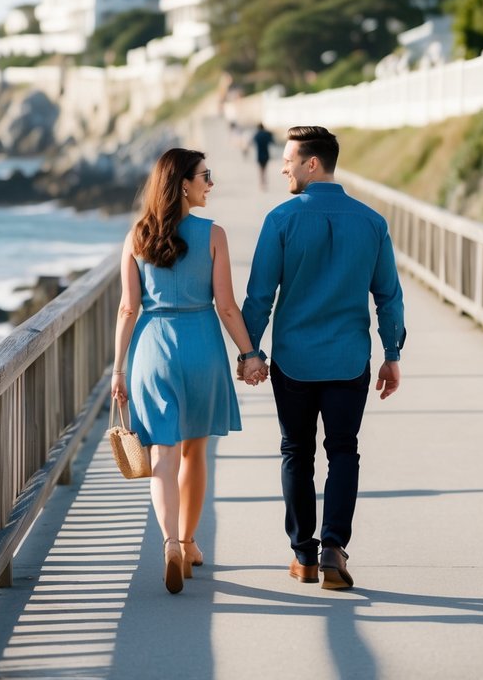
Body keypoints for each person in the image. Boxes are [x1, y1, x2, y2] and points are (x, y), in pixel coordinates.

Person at [239, 124, 405, 591]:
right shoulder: (372, 222)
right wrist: (392, 353)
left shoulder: (281, 219)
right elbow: (389, 297)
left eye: (289, 159)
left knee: (296, 451)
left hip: (293, 360)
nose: (283, 166)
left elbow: (259, 296)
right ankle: (333, 548)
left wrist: (250, 351)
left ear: (313, 163)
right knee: (344, 450)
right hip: (350, 358)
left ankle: (303, 556)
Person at [112, 148, 268, 595]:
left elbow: (128, 307)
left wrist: (118, 370)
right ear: (183, 183)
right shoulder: (213, 234)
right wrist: (250, 354)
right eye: (205, 175)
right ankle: (188, 540)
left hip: (152, 349)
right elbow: (226, 305)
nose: (210, 183)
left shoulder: (136, 237)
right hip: (200, 344)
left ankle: (169, 545)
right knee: (194, 453)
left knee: (162, 454)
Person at [251, 122, 275, 188]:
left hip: (259, 154)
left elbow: (252, 141)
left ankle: (261, 183)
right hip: (266, 154)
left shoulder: (257, 135)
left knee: (261, 170)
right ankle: (264, 182)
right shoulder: (266, 134)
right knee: (265, 169)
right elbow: (272, 141)